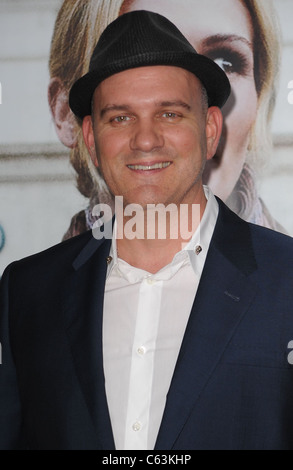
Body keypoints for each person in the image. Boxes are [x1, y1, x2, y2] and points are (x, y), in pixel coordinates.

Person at [1, 10, 293, 451]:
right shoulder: (27, 293)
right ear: (91, 139)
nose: (145, 139)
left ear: (211, 129)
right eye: (120, 118)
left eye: (170, 114)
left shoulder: (287, 279)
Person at [48, 0, 286, 239]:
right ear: (66, 113)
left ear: (260, 92)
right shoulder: (31, 277)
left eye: (223, 63)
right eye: (144, 61)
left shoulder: (284, 271)